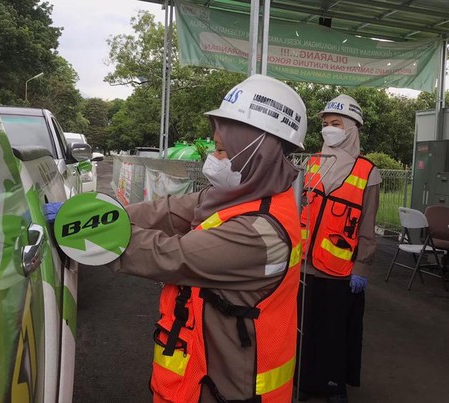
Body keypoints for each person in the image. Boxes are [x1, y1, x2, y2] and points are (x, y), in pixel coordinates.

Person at [108, 74, 307, 402]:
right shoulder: (242, 196)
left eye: (221, 149)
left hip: (233, 390)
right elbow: (172, 210)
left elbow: (171, 255)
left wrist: (97, 236)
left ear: (256, 150)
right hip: (208, 373)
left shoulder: (261, 233)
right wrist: (110, 217)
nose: (213, 161)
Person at [296, 94, 381, 403]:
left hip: (339, 270)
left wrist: (362, 267)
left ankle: (334, 386)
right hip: (303, 265)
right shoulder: (313, 163)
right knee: (304, 329)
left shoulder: (367, 172)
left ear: (352, 129)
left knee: (334, 332)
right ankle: (304, 382)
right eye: (326, 124)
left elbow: (368, 227)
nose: (329, 130)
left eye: (336, 124)